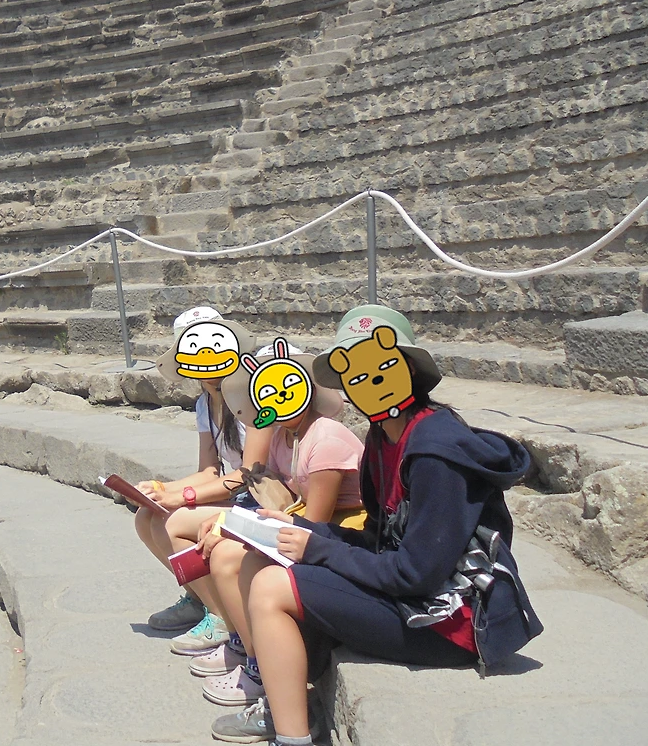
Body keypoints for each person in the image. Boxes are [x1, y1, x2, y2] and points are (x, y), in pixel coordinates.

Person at [210, 306, 543, 745]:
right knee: (259, 561)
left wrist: (319, 549)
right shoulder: (382, 439)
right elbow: (377, 540)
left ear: (409, 372)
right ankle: (280, 694)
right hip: (411, 596)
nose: (369, 383)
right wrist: (306, 531)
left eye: (383, 369)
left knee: (273, 588)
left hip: (451, 621)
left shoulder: (435, 453)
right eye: (356, 375)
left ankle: (291, 735)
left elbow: (416, 573)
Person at [191, 340, 363, 708]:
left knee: (231, 559)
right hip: (303, 518)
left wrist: (243, 531)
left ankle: (261, 668)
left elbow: (314, 524)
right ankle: (252, 654)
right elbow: (277, 497)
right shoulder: (285, 435)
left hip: (343, 530)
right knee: (222, 549)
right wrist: (227, 521)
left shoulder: (326, 439)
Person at [136, 308, 272, 656]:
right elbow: (210, 469)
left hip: (259, 500)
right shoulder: (204, 404)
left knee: (173, 521)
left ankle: (221, 615)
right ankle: (198, 597)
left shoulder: (254, 399)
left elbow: (247, 474)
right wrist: (160, 490)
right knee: (147, 515)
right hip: (236, 494)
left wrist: (183, 497)